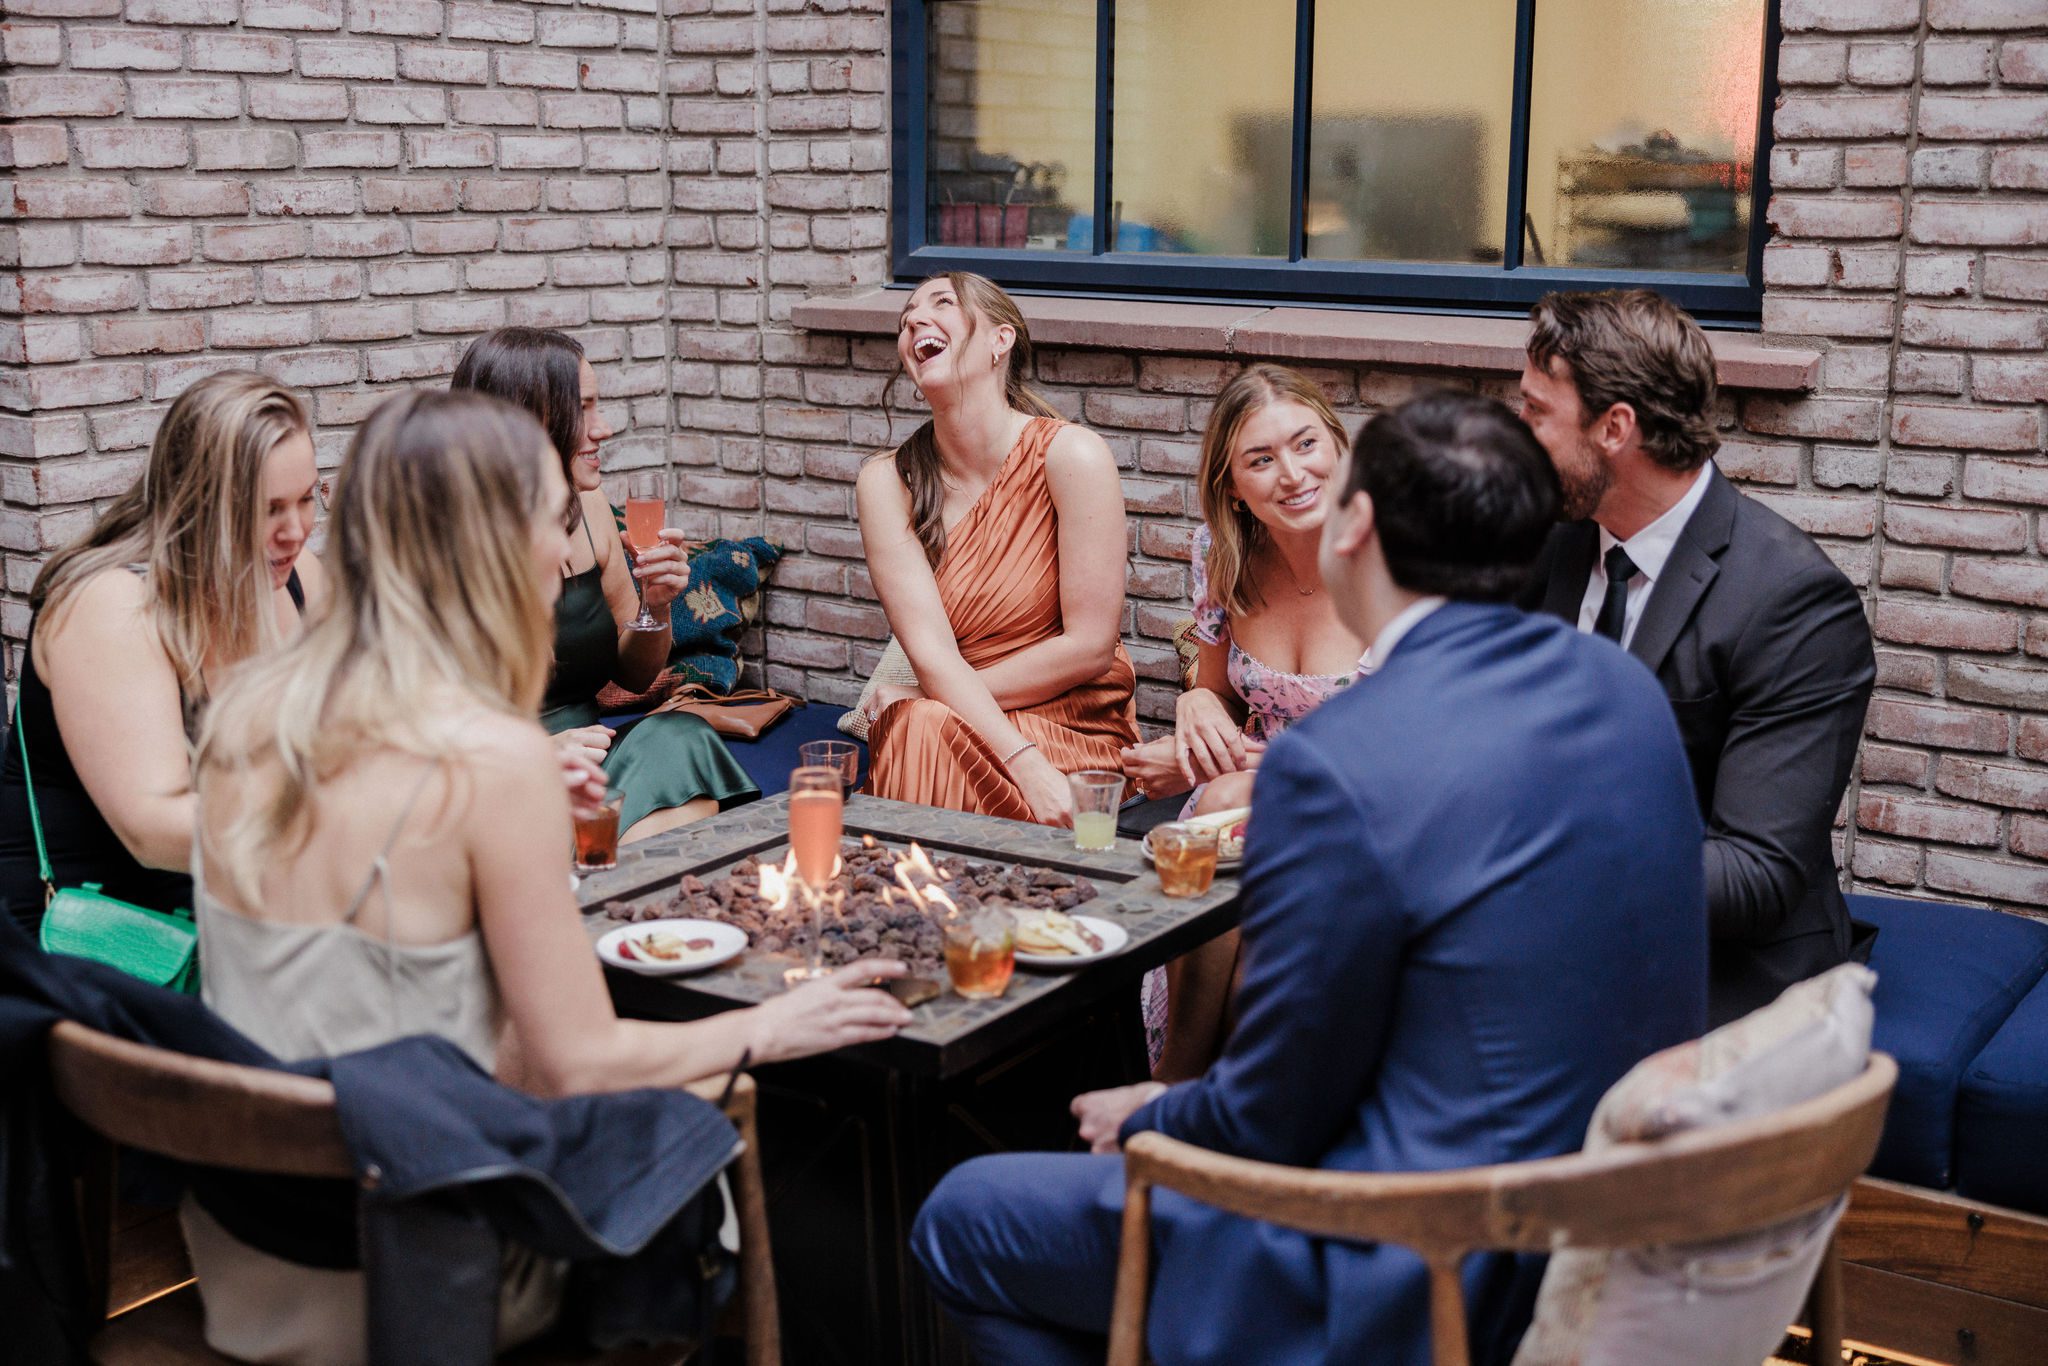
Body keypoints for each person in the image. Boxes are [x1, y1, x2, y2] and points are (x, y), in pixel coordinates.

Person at [910, 391, 1709, 1366]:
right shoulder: (1621, 688)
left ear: (1355, 525)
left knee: (960, 1216)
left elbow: (1268, 1107)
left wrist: (1156, 1111)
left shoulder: (1333, 760)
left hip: (1410, 1261)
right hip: (1600, 1235)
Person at [186, 390, 911, 1365]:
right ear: (492, 552)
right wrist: (768, 1027)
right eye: (551, 521)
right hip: (412, 1269)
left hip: (247, 1251)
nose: (565, 550)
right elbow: (581, 1062)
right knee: (703, 1128)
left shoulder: (244, 714)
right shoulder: (492, 761)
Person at [1517, 289, 1877, 1027]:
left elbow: (1754, 874)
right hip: (1549, 944)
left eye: (1535, 413)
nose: (1515, 436)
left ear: (1614, 427)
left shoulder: (1793, 602)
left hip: (1718, 973)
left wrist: (1530, 865)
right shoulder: (1547, 542)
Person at [0, 372, 327, 935]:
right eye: (269, 508)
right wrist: (348, 831)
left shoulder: (297, 581)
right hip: (100, 944)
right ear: (199, 504)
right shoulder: (110, 607)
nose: (295, 531)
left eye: (307, 498)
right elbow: (155, 830)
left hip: (226, 911)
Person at [1116, 364, 1369, 1081]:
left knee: (1224, 816)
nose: (1293, 474)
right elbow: (1221, 690)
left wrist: (1236, 770)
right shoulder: (1222, 556)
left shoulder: (1389, 554)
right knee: (1219, 824)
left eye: (1306, 444)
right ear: (1232, 487)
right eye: (1261, 460)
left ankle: (1181, 1089)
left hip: (1362, 796)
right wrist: (1198, 699)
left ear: (1339, 447)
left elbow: (1418, 737)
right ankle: (1195, 1089)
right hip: (1248, 793)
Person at [451, 327, 756, 842]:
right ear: (528, 421)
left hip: (590, 758)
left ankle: (599, 872)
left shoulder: (589, 510)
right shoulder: (440, 542)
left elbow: (636, 677)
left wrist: (656, 607)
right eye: (584, 409)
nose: (605, 428)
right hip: (492, 781)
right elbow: (402, 732)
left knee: (681, 737)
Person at [857, 273, 1137, 826]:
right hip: (956, 720)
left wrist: (925, 696)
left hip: (1069, 722)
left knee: (918, 724)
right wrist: (1018, 760)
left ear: (999, 341)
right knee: (919, 729)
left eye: (942, 303)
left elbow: (1090, 648)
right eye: (906, 314)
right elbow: (931, 653)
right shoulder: (887, 483)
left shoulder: (1072, 456)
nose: (914, 318)